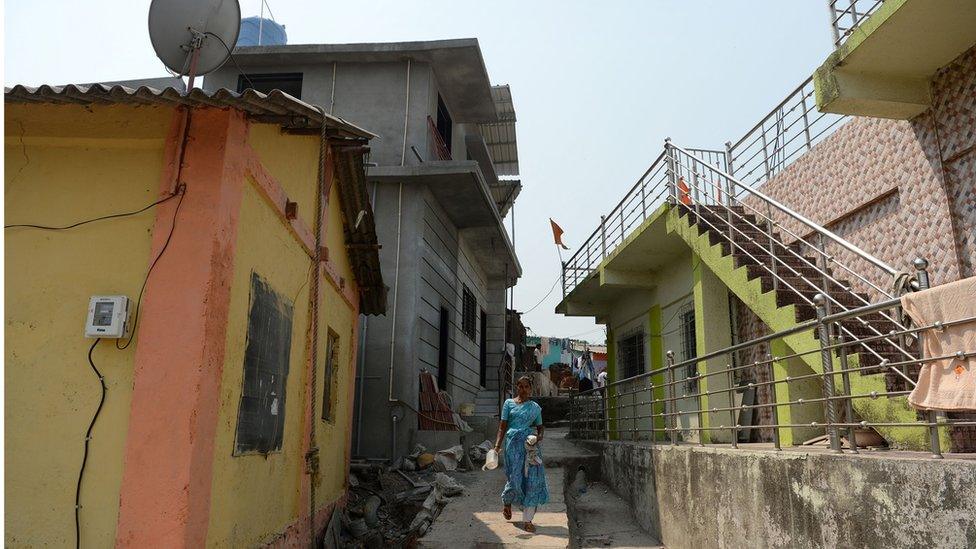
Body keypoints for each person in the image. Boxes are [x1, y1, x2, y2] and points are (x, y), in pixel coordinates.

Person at [493, 375, 549, 533]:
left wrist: (539, 437)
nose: (523, 390)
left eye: (526, 387)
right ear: (516, 387)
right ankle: (507, 501)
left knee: (532, 481)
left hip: (529, 447)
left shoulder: (535, 408)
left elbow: (540, 427)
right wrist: (497, 447)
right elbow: (502, 427)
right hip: (512, 447)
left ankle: (528, 520)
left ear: (530, 389)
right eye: (520, 386)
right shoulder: (508, 404)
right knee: (515, 479)